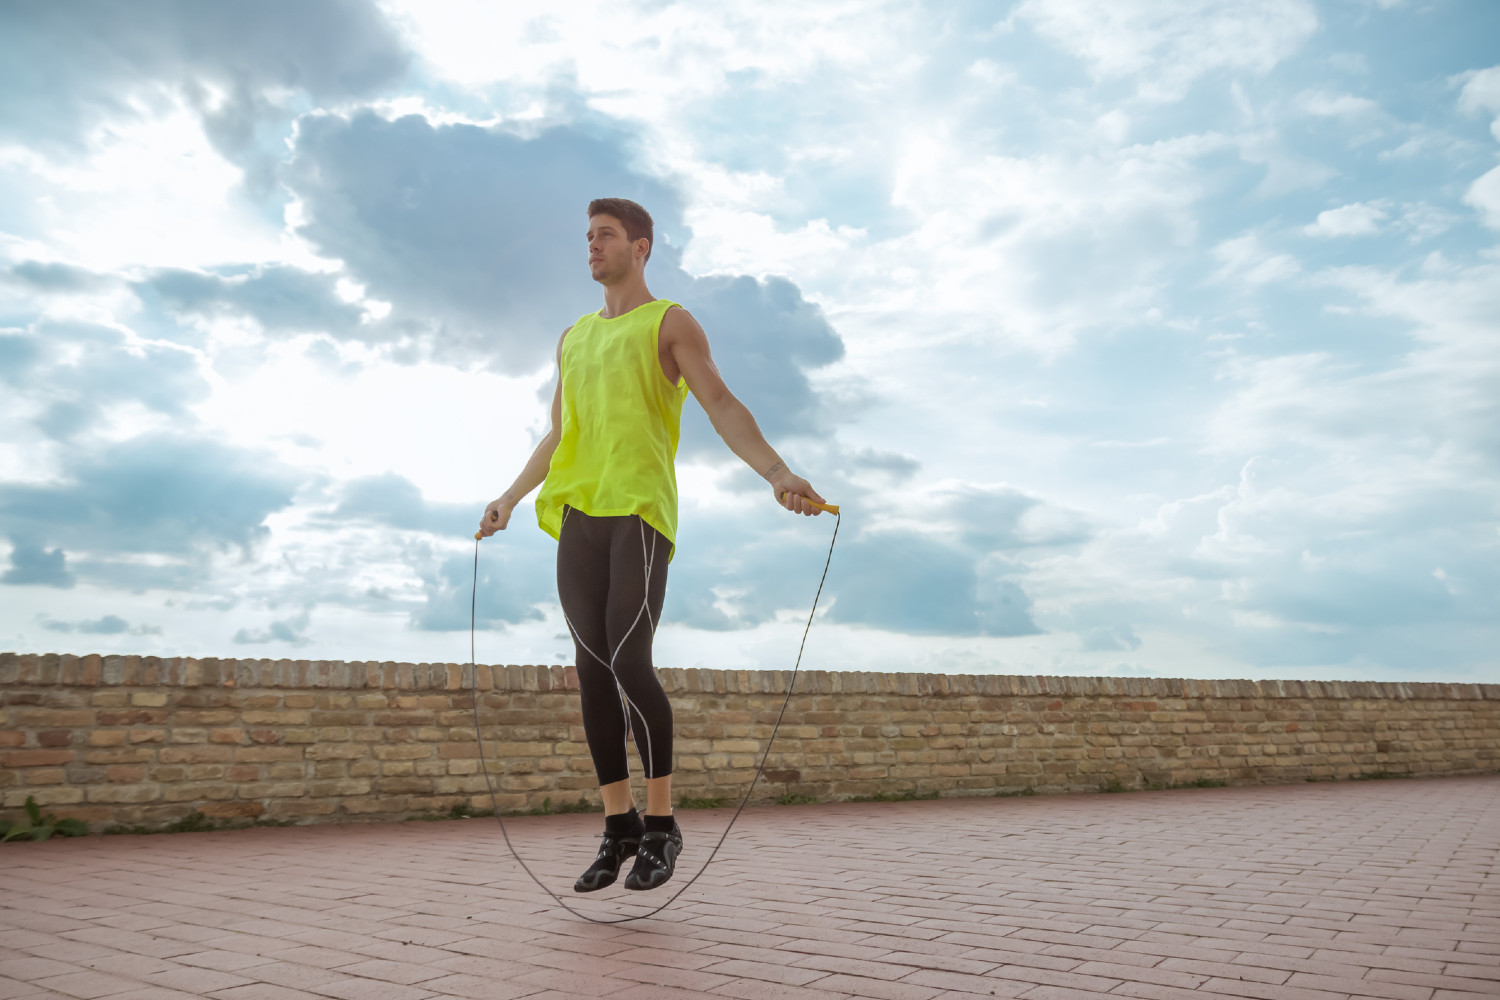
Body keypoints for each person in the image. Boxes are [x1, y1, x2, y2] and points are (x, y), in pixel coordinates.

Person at [478, 198, 827, 892]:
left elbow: (720, 403)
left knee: (628, 661)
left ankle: (663, 826)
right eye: (587, 236)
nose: (591, 245)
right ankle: (620, 826)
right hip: (577, 515)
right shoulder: (573, 338)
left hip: (639, 514)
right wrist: (510, 496)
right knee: (591, 669)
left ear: (640, 247)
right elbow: (559, 432)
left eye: (605, 235)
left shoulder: (670, 322)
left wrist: (778, 473)